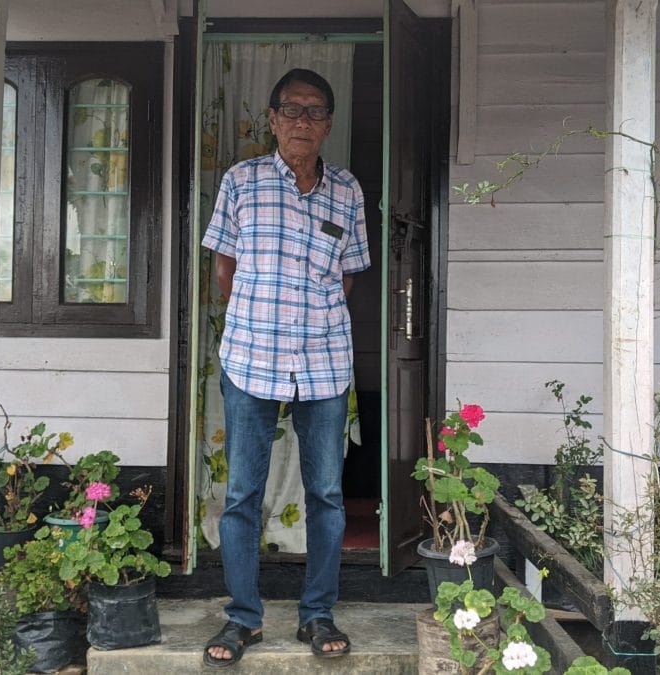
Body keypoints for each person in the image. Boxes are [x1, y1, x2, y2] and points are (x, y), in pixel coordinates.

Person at [200, 68, 370, 668]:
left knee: (326, 493)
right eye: (291, 111)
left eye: (315, 112)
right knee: (242, 493)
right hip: (251, 359)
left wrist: (310, 319)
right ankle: (243, 617)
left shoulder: (347, 191)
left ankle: (317, 613)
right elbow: (225, 270)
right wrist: (259, 318)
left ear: (328, 125)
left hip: (323, 362)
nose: (302, 121)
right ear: (272, 120)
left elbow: (347, 275)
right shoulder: (241, 181)